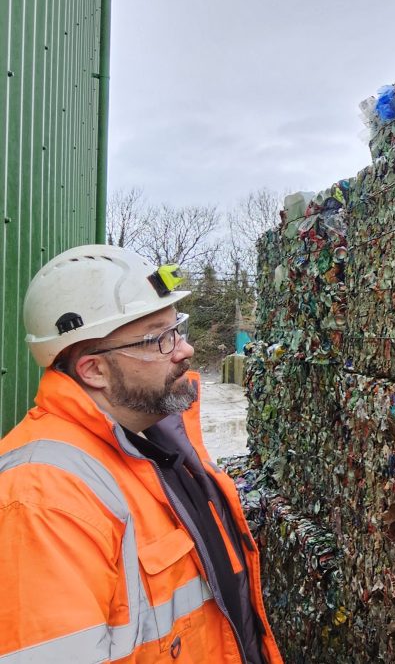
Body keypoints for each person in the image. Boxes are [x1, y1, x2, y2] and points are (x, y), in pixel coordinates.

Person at [0, 244, 282, 663]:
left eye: (178, 329)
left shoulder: (160, 444)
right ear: (93, 370)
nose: (185, 350)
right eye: (160, 339)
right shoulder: (43, 500)